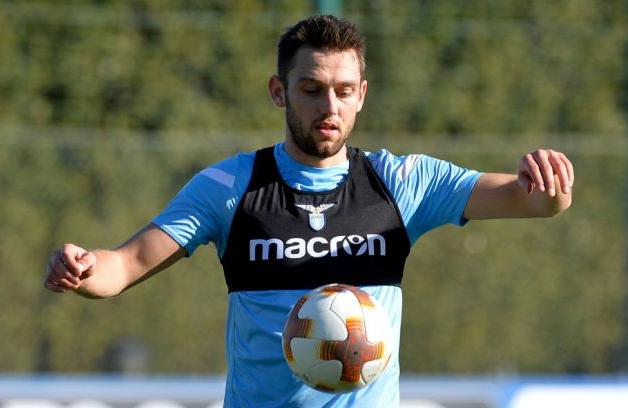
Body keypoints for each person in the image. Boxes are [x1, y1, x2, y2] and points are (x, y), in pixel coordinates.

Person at [44, 14, 573, 407]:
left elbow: (530, 200)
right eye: (312, 90)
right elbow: (125, 265)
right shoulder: (230, 187)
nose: (329, 107)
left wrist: (550, 186)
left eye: (344, 91)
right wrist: (85, 268)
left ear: (362, 95)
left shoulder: (402, 182)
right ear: (279, 92)